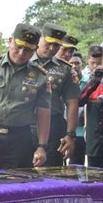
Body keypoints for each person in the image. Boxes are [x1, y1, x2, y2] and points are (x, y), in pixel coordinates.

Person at [0, 24, 51, 171]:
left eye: (28, 49)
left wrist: (42, 146)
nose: (21, 52)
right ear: (10, 40)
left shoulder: (40, 76)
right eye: (18, 46)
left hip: (19, 139)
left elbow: (43, 112)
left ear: (35, 49)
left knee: (15, 185)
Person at [30, 23, 80, 166]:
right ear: (40, 39)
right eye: (48, 44)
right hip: (23, 126)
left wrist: (70, 135)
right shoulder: (23, 61)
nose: (52, 49)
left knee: (51, 172)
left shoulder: (66, 69)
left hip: (54, 126)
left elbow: (72, 103)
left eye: (57, 46)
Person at [68, 52, 86, 165]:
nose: (74, 66)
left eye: (77, 63)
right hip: (67, 129)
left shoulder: (89, 82)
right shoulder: (64, 82)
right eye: (71, 63)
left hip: (82, 131)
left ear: (82, 65)